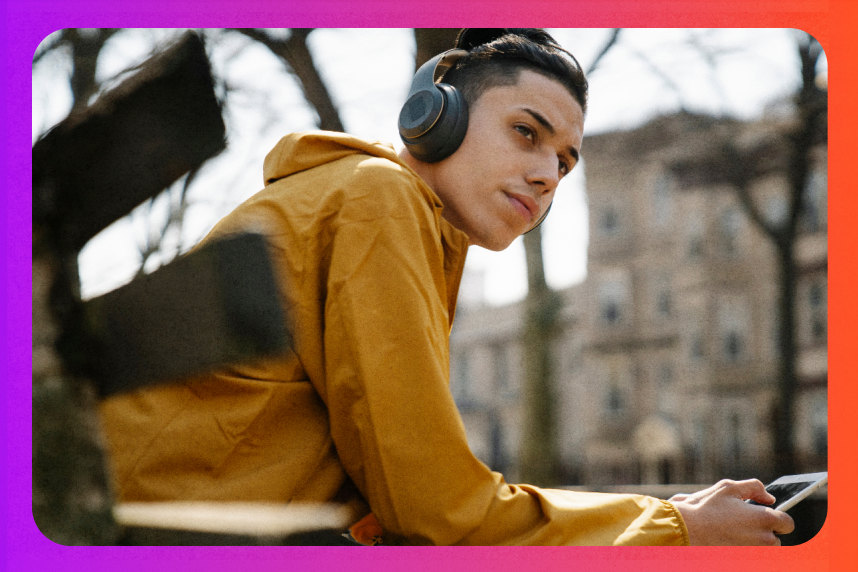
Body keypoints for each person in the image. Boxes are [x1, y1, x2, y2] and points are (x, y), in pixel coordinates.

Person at [99, 29, 794, 546]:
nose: (549, 173)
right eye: (527, 133)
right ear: (435, 119)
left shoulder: (373, 211)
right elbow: (439, 511)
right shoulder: (378, 200)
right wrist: (677, 527)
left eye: (564, 161)